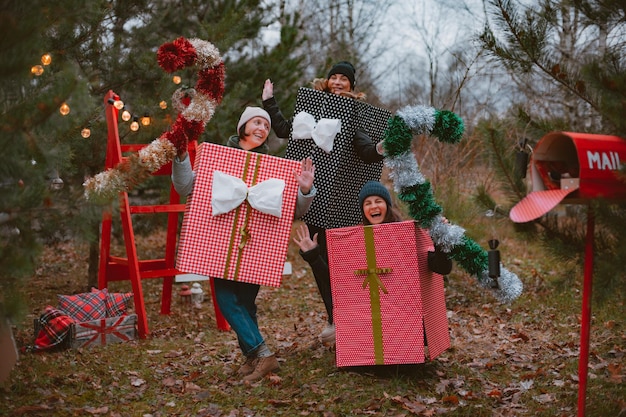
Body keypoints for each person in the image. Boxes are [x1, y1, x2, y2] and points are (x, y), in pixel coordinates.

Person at [172, 106, 317, 382]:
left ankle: (251, 357)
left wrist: (305, 189)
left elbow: (294, 210)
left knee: (246, 304)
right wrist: (181, 158)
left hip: (256, 244)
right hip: (220, 241)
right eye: (256, 122)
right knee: (226, 298)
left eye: (266, 124)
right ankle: (263, 354)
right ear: (242, 127)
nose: (262, 128)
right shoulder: (216, 157)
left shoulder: (275, 167)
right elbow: (186, 188)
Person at [262, 61, 385, 344]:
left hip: (341, 203)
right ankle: (334, 318)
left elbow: (366, 151)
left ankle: (346, 319)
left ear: (352, 86)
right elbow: (282, 129)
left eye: (344, 79)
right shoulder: (310, 108)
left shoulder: (354, 114)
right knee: (317, 260)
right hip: (313, 198)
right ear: (327, 81)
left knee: (339, 263)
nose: (338, 82)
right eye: (335, 77)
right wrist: (269, 101)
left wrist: (381, 148)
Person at [292, 181, 452, 344]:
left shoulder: (407, 236)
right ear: (363, 210)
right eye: (368, 203)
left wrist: (441, 242)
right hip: (369, 325)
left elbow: (441, 267)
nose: (373, 207)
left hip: (405, 323)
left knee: (405, 364)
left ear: (387, 205)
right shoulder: (356, 241)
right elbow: (338, 283)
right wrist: (313, 255)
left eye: (378, 201)